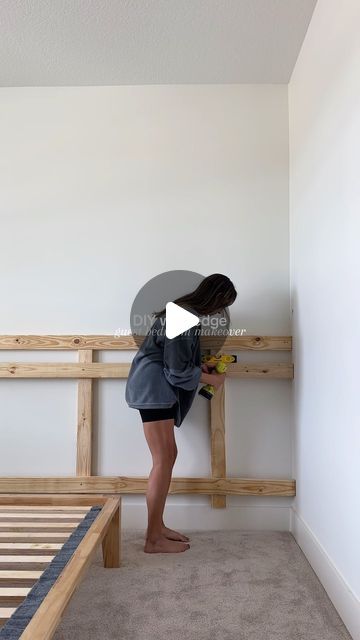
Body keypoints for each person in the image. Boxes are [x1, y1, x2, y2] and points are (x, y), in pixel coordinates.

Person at [125, 273, 237, 554]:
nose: (219, 312)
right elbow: (175, 370)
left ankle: (158, 526)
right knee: (163, 460)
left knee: (167, 457)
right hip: (154, 390)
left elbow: (174, 358)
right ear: (215, 298)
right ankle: (152, 539)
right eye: (222, 304)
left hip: (153, 388)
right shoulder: (183, 317)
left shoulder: (181, 313)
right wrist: (212, 380)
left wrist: (202, 368)